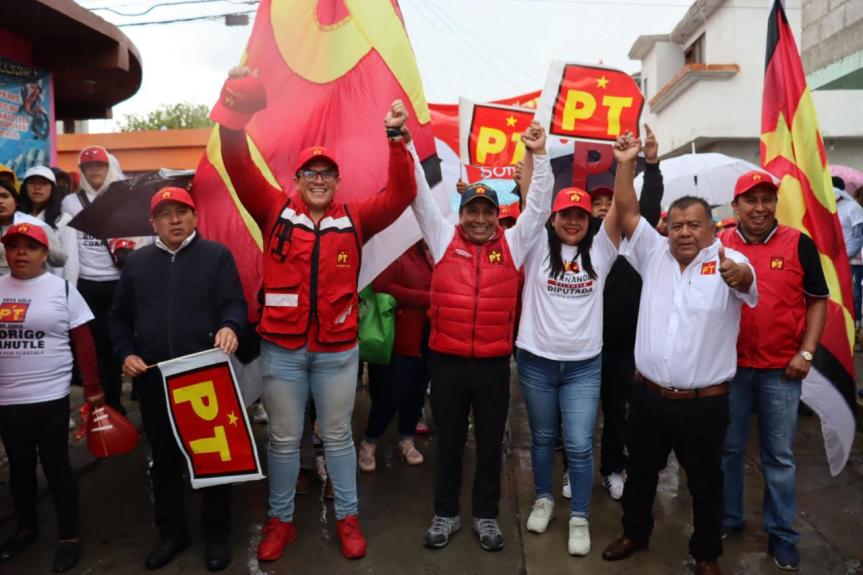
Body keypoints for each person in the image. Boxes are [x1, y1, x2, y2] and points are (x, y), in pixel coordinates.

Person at [212, 67, 417, 561]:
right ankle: (280, 523)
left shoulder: (357, 217)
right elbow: (236, 159)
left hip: (337, 354)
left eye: (327, 174)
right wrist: (237, 103)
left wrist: (395, 139)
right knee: (283, 441)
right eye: (311, 173)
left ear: (337, 181)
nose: (319, 180)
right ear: (297, 179)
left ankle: (348, 517)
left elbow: (402, 193)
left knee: (340, 437)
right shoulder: (272, 209)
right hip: (282, 352)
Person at [600, 133, 757, 575]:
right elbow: (628, 211)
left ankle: (706, 554)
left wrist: (738, 274)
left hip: (704, 403)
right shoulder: (653, 255)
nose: (684, 232)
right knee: (641, 471)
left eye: (694, 225)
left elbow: (747, 282)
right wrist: (626, 163)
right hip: (648, 396)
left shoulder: (730, 260)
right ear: (666, 227)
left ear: (711, 228)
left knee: (705, 482)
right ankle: (635, 531)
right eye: (677, 224)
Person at [410, 122, 552, 552]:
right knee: (450, 442)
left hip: (492, 364)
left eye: (487, 211)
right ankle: (446, 513)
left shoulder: (512, 245)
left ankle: (486, 516)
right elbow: (417, 196)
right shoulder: (441, 236)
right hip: (447, 362)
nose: (479, 218)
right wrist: (403, 144)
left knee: (490, 443)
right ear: (460, 212)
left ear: (495, 216)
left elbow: (540, 206)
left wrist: (540, 155)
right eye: (471, 210)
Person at [108, 187, 247, 572]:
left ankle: (216, 535)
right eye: (166, 214)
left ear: (195, 216)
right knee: (164, 460)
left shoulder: (217, 256)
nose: (175, 220)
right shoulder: (137, 263)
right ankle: (172, 534)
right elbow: (118, 319)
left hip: (205, 376)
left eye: (182, 211)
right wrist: (126, 354)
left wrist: (231, 327)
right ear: (152, 222)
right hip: (154, 379)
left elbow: (235, 303)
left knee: (214, 459)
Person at [719, 171, 828, 571]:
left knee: (779, 457)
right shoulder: (720, 244)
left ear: (775, 203)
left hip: (782, 371)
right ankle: (729, 518)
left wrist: (807, 352)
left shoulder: (799, 244)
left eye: (767, 199)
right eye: (751, 200)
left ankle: (782, 534)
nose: (759, 207)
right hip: (729, 371)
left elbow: (818, 301)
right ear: (736, 206)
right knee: (728, 450)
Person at [516, 178, 626, 556]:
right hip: (536, 363)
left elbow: (620, 209)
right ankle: (544, 499)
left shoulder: (601, 251)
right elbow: (532, 195)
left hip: (583, 367)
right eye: (567, 214)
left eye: (581, 215)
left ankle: (579, 516)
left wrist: (626, 163)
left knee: (579, 444)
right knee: (543, 438)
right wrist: (536, 153)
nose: (574, 221)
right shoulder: (534, 247)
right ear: (553, 218)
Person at [0, 223, 103, 573]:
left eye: (29, 247)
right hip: (7, 399)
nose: (20, 253)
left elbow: (85, 342)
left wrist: (92, 387)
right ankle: (26, 528)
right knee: (20, 467)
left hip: (49, 395)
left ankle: (69, 537)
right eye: (13, 246)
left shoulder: (62, 289)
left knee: (57, 466)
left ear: (45, 254)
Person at [595, 126, 663, 503]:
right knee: (580, 417)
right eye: (600, 205)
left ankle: (611, 469)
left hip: (626, 350)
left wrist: (649, 164)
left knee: (618, 417)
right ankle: (576, 470)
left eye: (614, 203)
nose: (609, 209)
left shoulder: (644, 248)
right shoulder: (591, 245)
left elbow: (648, 204)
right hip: (588, 347)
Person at [61, 146, 128, 414]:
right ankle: (105, 404)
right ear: (82, 171)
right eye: (89, 167)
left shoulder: (123, 197)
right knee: (95, 346)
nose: (95, 170)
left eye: (99, 165)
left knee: (119, 343)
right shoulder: (71, 203)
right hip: (87, 284)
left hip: (119, 282)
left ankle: (118, 399)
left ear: (108, 166)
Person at [359, 241, 434, 472]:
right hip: (401, 337)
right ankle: (369, 443)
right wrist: (426, 297)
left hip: (427, 337)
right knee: (393, 393)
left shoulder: (426, 252)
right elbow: (383, 287)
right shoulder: (394, 252)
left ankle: (406, 440)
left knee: (416, 391)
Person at [19, 166, 78, 282]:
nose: (37, 187)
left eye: (44, 183)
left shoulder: (64, 219)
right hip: (20, 284)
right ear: (24, 187)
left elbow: (71, 261)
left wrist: (69, 291)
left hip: (53, 284)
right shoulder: (17, 217)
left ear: (52, 188)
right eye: (32, 183)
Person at [0, 179, 67, 275]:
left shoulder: (35, 224)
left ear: (16, 201)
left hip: (27, 285)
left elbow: (61, 260)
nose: (0, 201)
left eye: (5, 196)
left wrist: (40, 241)